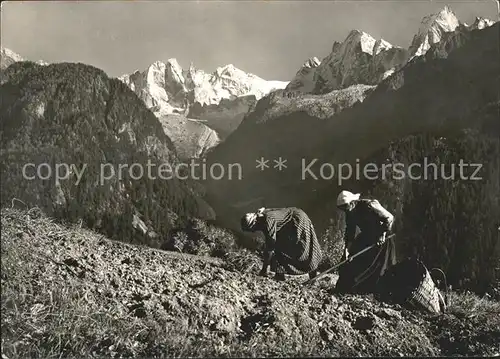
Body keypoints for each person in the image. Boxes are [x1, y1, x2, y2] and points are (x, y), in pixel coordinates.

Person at [334, 190, 397, 294]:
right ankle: (346, 287)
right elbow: (350, 232)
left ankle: (370, 290)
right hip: (367, 236)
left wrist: (382, 234)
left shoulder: (369, 205)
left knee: (378, 266)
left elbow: (389, 217)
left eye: (345, 206)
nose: (344, 210)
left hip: (382, 237)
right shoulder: (349, 212)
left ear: (352, 202)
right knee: (351, 259)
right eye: (342, 208)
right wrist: (346, 250)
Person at [241, 207, 323, 281]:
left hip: (298, 220)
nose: (254, 231)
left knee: (304, 248)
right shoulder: (261, 217)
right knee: (278, 245)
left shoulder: (268, 221)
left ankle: (313, 278)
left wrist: (264, 269)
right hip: (289, 223)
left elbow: (270, 247)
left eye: (252, 229)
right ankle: (279, 276)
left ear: (255, 222)